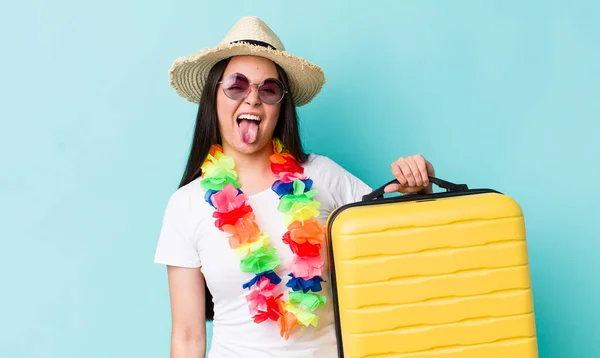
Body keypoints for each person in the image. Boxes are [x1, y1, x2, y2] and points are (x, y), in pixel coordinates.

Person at [154, 16, 436, 358]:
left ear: (280, 106)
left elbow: (400, 248)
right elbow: (187, 337)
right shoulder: (186, 205)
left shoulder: (322, 176)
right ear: (214, 96)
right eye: (236, 85)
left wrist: (418, 190)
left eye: (268, 89)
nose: (252, 99)